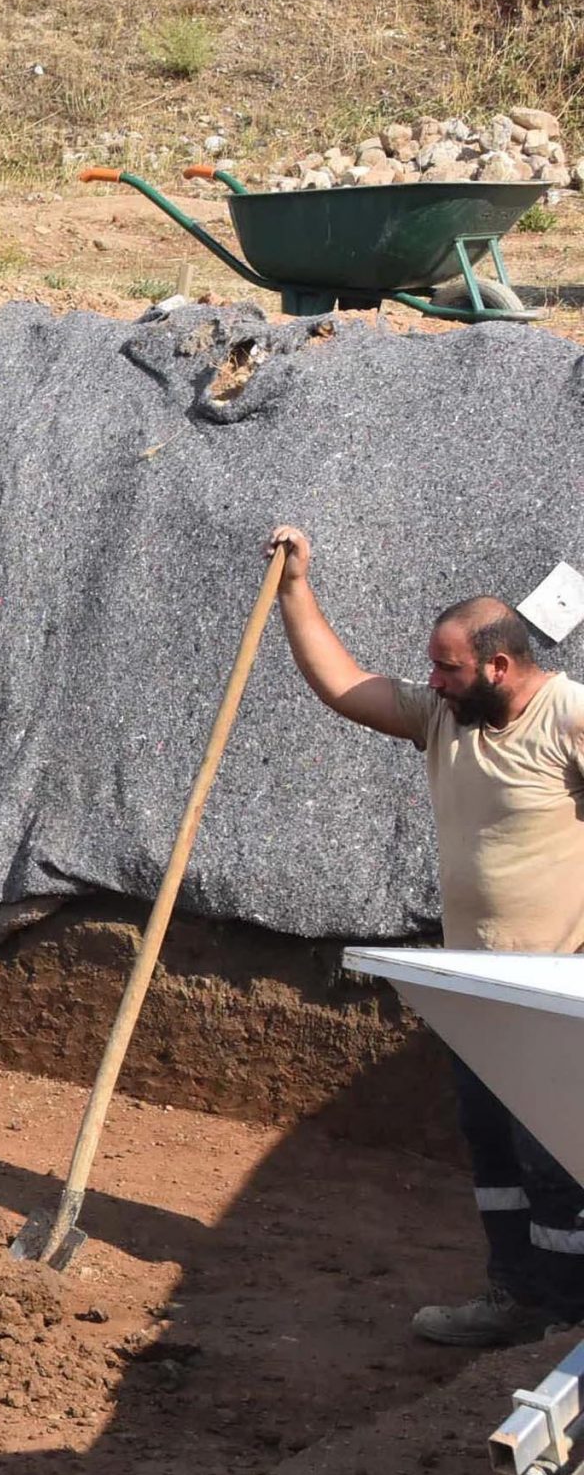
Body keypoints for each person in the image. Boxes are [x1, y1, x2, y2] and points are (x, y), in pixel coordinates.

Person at [268, 524, 584, 1345]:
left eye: (448, 666)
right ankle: (515, 1300)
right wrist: (296, 588)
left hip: (558, 993)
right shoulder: (445, 719)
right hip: (477, 989)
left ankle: (568, 1324)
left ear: (499, 666)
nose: (434, 680)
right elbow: (344, 685)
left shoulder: (569, 718)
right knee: (495, 1156)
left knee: (558, 1166)